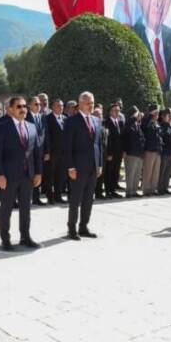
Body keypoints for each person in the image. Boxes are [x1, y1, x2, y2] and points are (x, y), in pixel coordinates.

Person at [0, 96, 42, 250]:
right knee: (6, 209)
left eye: (25, 106)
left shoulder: (31, 126)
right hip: (8, 176)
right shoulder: (2, 125)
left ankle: (25, 237)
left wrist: (38, 172)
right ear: (10, 109)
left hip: (28, 175)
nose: (23, 109)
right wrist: (0, 174)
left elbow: (37, 152)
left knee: (26, 208)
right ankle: (5, 239)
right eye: (19, 106)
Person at [63, 91, 102, 240]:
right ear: (80, 104)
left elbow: (98, 145)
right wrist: (71, 167)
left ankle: (84, 226)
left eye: (92, 102)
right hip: (78, 168)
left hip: (93, 167)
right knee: (76, 199)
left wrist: (99, 165)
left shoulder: (96, 120)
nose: (91, 105)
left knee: (88, 198)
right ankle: (71, 229)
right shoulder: (72, 121)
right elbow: (67, 147)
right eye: (87, 102)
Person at [44, 99, 67, 204]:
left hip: (63, 153)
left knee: (60, 175)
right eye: (58, 106)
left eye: (62, 106)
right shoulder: (47, 119)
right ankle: (50, 197)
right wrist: (47, 151)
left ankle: (58, 196)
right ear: (52, 107)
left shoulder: (65, 119)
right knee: (50, 175)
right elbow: (47, 136)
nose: (61, 107)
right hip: (52, 152)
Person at [28, 97, 48, 205]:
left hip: (40, 152)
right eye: (36, 104)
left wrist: (47, 151)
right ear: (30, 105)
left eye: (39, 104)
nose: (38, 106)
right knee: (29, 175)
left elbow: (46, 135)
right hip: (30, 152)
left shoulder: (42, 117)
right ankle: (27, 198)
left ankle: (36, 198)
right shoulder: (26, 117)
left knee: (38, 174)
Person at [103, 103, 125, 198]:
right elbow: (107, 139)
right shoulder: (106, 122)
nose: (117, 112)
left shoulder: (119, 122)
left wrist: (123, 151)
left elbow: (122, 138)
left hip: (118, 152)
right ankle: (108, 191)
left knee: (116, 172)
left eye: (118, 111)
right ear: (110, 112)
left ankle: (113, 190)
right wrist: (109, 153)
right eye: (115, 110)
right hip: (111, 153)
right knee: (109, 172)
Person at [123, 107, 145, 198]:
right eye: (137, 113)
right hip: (131, 152)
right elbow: (124, 136)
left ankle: (134, 190)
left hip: (139, 152)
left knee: (137, 172)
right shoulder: (129, 122)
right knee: (131, 173)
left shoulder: (137, 123)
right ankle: (129, 191)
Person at [141, 105, 161, 195]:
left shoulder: (156, 122)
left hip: (157, 149)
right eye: (156, 112)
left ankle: (153, 188)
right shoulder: (147, 120)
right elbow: (145, 128)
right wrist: (150, 116)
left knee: (155, 171)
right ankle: (146, 189)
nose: (158, 114)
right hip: (149, 149)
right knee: (148, 171)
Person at [157, 109, 171, 195]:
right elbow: (163, 136)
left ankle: (165, 187)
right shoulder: (162, 125)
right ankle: (160, 188)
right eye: (169, 116)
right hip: (165, 152)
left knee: (168, 172)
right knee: (162, 171)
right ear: (164, 116)